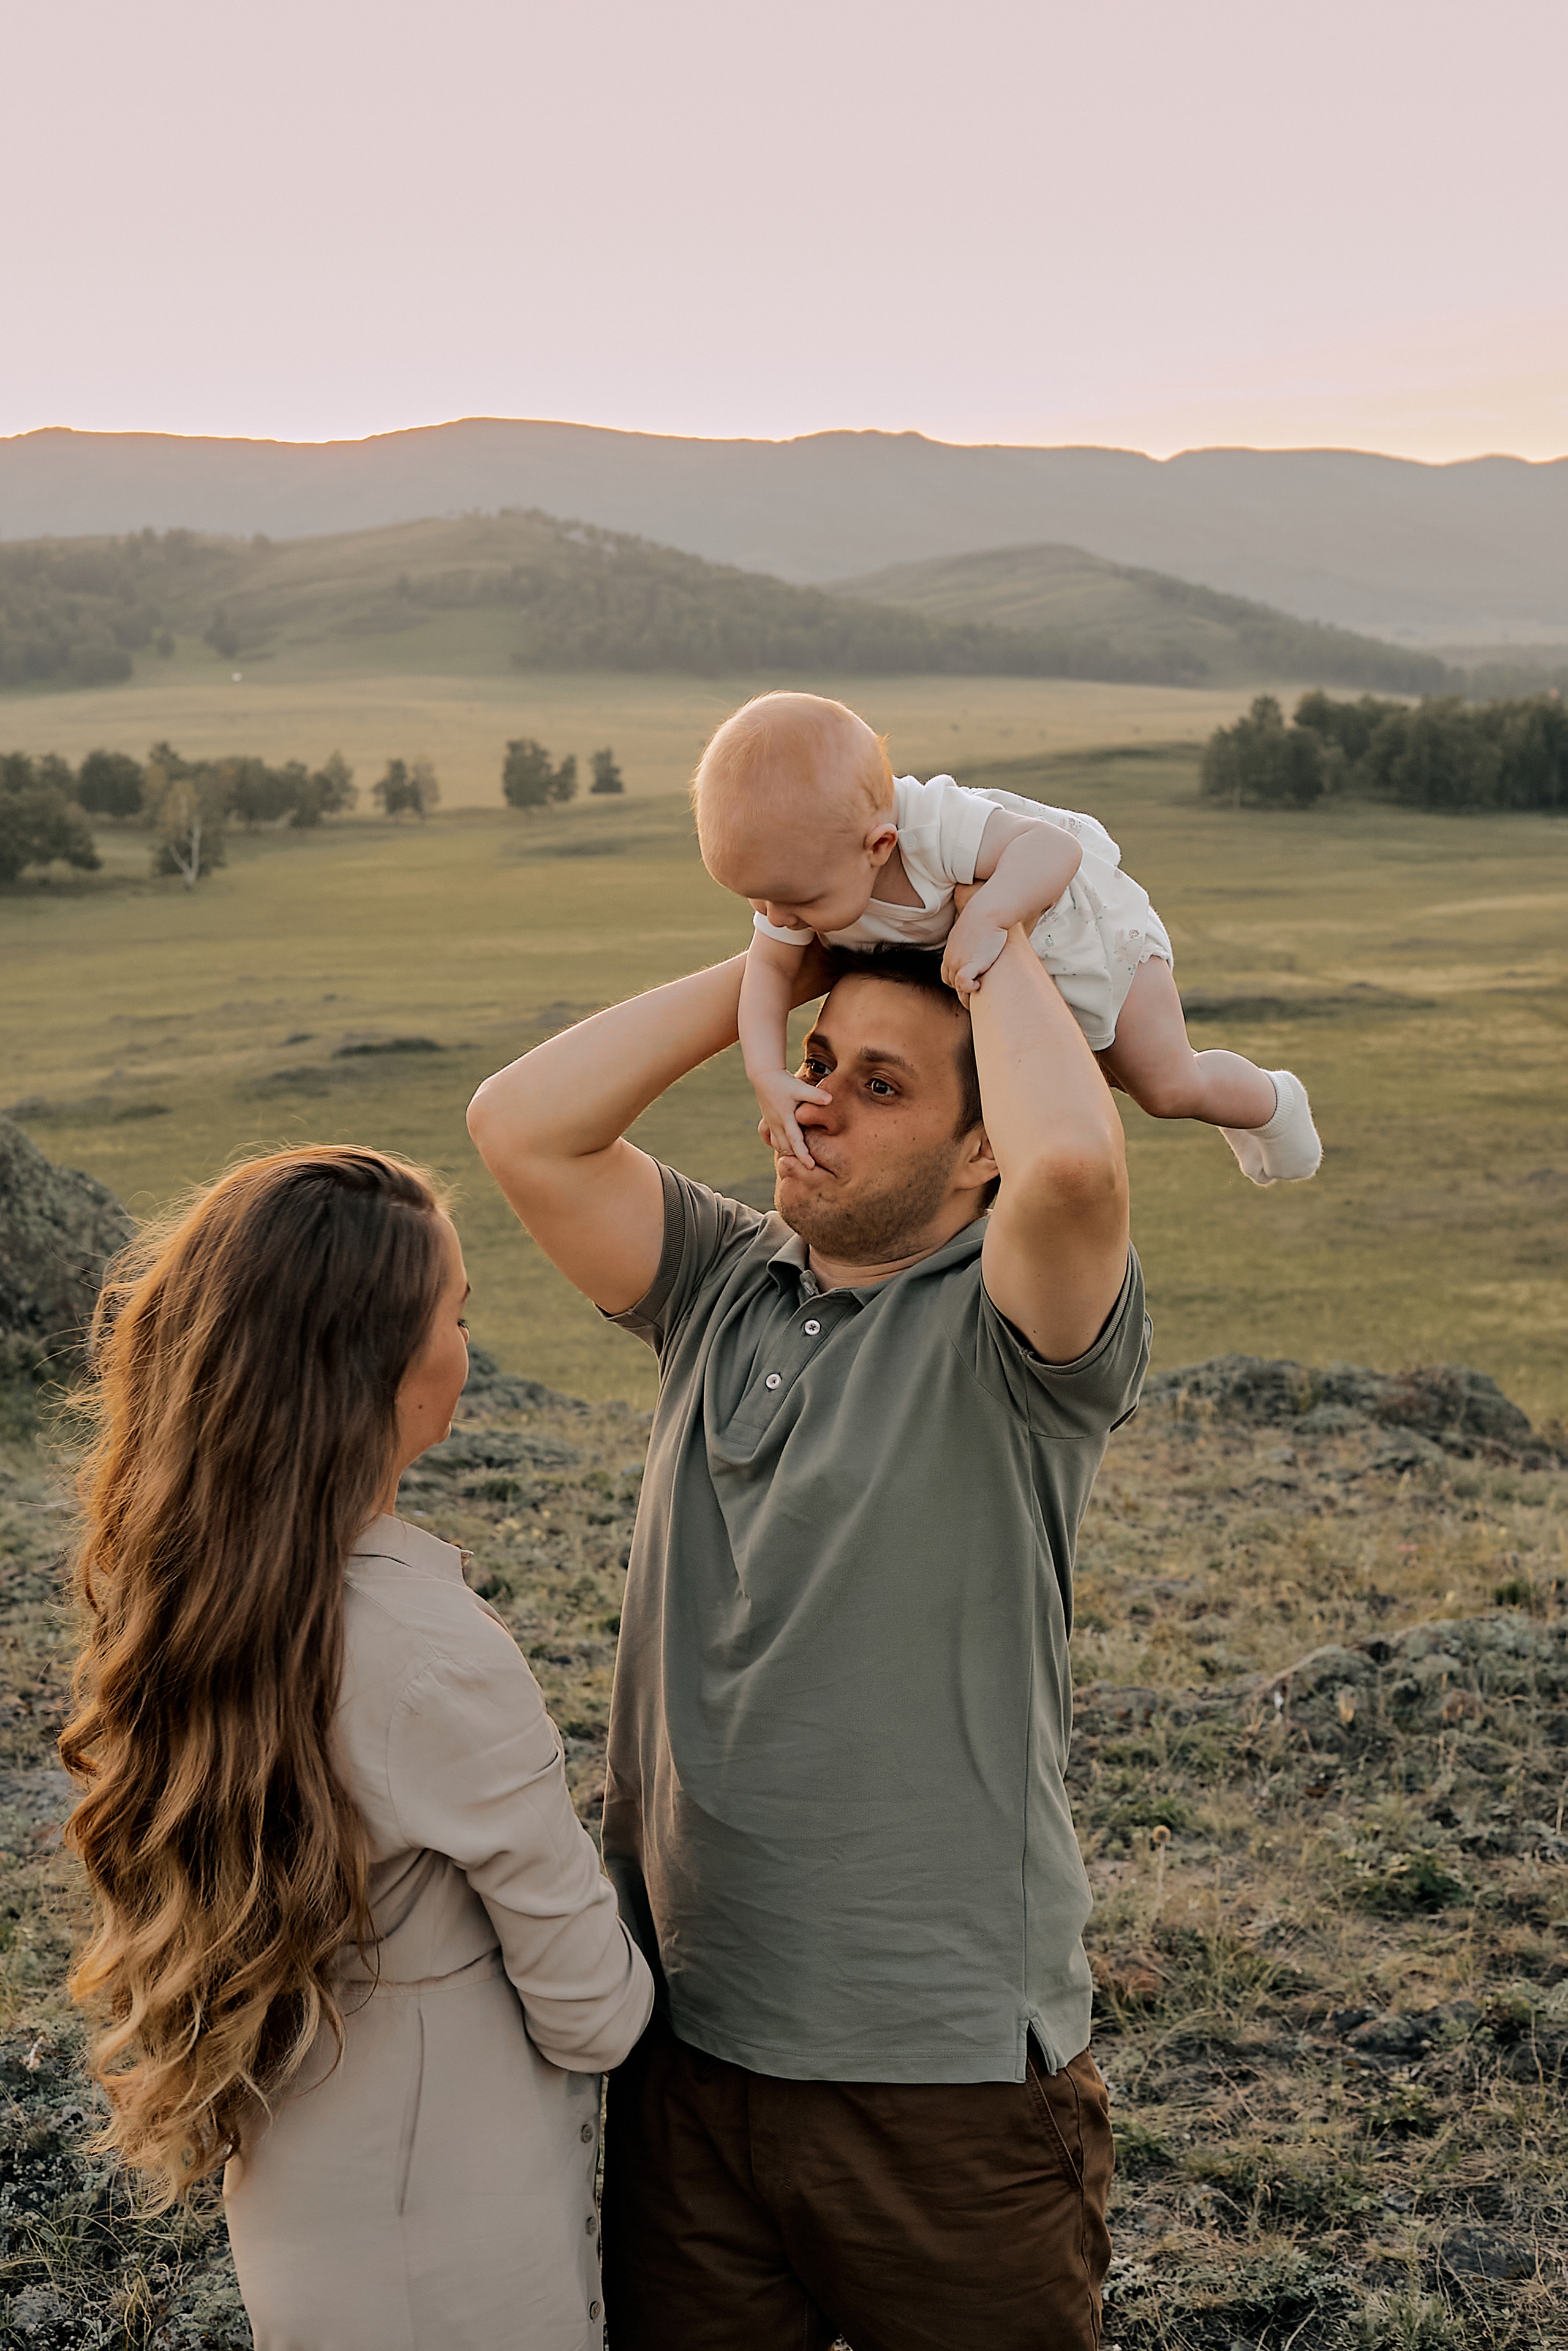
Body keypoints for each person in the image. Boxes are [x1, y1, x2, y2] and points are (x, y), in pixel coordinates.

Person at [467, 910, 1151, 2350]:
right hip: (689, 2043)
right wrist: (782, 962)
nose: (812, 1098)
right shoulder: (722, 1278)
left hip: (938, 2073)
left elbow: (1078, 1164)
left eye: (879, 1085)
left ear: (982, 1150)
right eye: (812, 1061)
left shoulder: (1013, 1335)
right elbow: (520, 1125)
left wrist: (986, 924)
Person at [60, 1145, 652, 2351]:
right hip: (457, 2262)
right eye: (455, 1315)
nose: (463, 1349)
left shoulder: (192, 1597)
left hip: (310, 2218)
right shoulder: (429, 1656)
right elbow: (596, 2015)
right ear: (366, 1370)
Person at [694, 687, 1321, 1186]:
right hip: (1016, 997)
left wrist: (989, 914)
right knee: (1089, 1082)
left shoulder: (935, 828)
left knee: (1163, 1086)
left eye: (797, 901)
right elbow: (768, 972)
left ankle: (1272, 1103)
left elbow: (1052, 848)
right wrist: (763, 1072)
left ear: (878, 846)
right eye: (754, 897)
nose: (775, 917)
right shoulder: (804, 870)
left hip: (1090, 944)